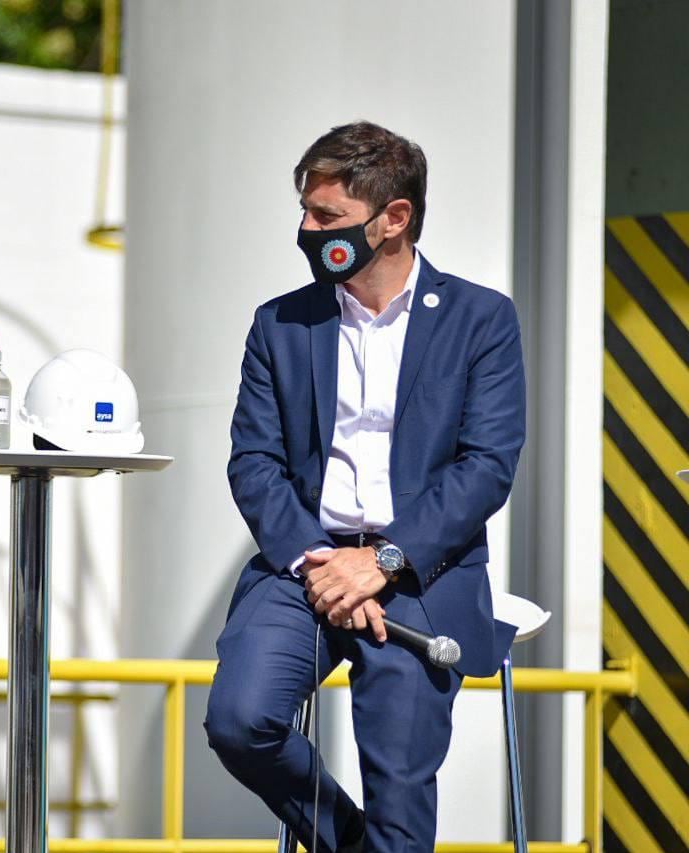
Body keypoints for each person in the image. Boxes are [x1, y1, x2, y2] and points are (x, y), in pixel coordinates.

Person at [204, 121, 525, 852]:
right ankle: (352, 845)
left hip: (419, 573)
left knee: (401, 789)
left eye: (327, 218)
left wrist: (379, 561)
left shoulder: (481, 319)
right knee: (239, 720)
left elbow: (486, 466)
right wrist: (320, 561)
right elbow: (253, 460)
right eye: (305, 212)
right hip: (305, 570)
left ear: (395, 218)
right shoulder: (280, 323)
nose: (307, 230)